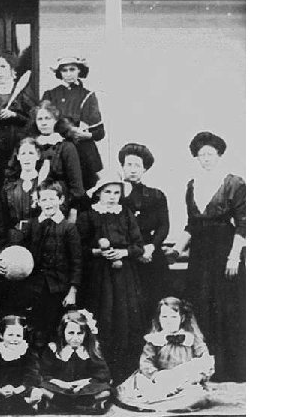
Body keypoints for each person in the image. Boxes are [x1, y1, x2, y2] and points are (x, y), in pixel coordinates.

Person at [168, 131, 245, 382]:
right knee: (201, 305)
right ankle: (204, 367)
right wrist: (177, 249)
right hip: (200, 255)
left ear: (219, 155)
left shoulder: (234, 183)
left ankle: (230, 370)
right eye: (201, 155)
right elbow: (192, 225)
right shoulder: (192, 185)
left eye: (210, 154)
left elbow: (244, 224)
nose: (206, 159)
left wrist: (234, 257)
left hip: (224, 251)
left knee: (226, 308)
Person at [76, 175, 145, 384]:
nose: (113, 197)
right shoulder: (87, 215)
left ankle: (123, 374)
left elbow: (139, 245)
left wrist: (123, 253)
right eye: (108, 192)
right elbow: (79, 247)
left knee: (124, 320)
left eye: (117, 193)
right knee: (101, 319)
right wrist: (98, 252)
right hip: (97, 277)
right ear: (98, 193)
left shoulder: (125, 213)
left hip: (123, 276)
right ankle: (100, 373)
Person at [0, 180, 82, 343]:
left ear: (61, 200)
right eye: (43, 200)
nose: (48, 203)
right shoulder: (32, 224)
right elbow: (14, 244)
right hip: (33, 285)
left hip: (57, 288)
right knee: (32, 326)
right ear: (38, 202)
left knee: (51, 327)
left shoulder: (68, 228)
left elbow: (76, 262)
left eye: (51, 199)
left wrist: (72, 291)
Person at [117, 297, 214, 411]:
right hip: (161, 379)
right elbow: (146, 362)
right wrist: (156, 375)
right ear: (159, 318)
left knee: (195, 394)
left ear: (182, 318)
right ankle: (165, 402)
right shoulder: (155, 339)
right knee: (144, 388)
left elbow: (205, 359)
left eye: (173, 317)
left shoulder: (191, 338)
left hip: (184, 379)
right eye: (164, 317)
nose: (168, 321)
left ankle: (174, 402)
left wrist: (198, 377)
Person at [118, 143, 170, 312]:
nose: (133, 170)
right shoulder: (113, 194)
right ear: (123, 167)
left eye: (137, 166)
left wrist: (151, 247)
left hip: (149, 251)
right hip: (124, 254)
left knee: (153, 298)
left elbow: (164, 225)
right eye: (129, 165)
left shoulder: (156, 195)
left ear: (145, 169)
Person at [42, 56, 104, 190]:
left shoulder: (87, 95)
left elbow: (99, 132)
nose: (68, 74)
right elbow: (41, 121)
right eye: (64, 70)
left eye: (72, 69)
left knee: (81, 190)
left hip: (81, 150)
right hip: (56, 149)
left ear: (79, 71)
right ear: (59, 73)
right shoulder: (50, 95)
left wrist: (84, 135)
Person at [0, 50, 37, 195]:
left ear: (11, 69)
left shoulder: (22, 91)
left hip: (17, 146)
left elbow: (34, 119)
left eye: (3, 67)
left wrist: (15, 115)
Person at [20, 100, 84, 220]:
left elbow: (76, 184)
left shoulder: (66, 146)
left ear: (56, 120)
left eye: (48, 118)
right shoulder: (30, 145)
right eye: (40, 119)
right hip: (32, 202)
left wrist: (73, 210)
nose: (44, 123)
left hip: (59, 202)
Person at [39, 309, 112, 413]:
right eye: (71, 333)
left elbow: (102, 374)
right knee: (42, 388)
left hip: (84, 389)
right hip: (60, 388)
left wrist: (83, 383)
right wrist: (62, 384)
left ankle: (78, 403)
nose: (75, 338)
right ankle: (69, 404)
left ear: (85, 334)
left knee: (106, 391)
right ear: (62, 332)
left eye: (80, 333)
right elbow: (45, 373)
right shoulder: (54, 349)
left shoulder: (89, 350)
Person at [0, 315, 43, 414]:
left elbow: (32, 373)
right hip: (1, 390)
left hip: (21, 389)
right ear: (1, 335)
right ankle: (23, 405)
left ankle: (22, 403)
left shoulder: (26, 351)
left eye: (18, 336)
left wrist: (19, 389)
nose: (14, 339)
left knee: (36, 392)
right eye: (10, 335)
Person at [1, 137, 43, 243]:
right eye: (23, 154)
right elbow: (3, 220)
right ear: (18, 157)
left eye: (31, 153)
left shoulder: (45, 185)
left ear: (38, 156)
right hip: (15, 238)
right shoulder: (8, 187)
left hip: (41, 238)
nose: (27, 158)